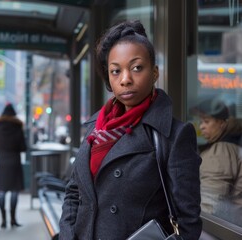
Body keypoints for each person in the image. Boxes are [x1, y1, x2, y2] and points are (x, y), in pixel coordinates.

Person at [58, 20, 202, 239]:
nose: (125, 79)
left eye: (136, 68)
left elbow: (188, 221)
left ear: (154, 73)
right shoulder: (95, 129)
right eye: (116, 71)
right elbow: (74, 192)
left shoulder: (172, 136)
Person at [191, 98, 242, 225]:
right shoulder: (232, 144)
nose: (201, 126)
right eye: (201, 121)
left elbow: (210, 204)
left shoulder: (220, 151)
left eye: (206, 121)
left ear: (222, 123)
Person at [0, 103, 27, 229]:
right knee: (14, 192)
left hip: (2, 162)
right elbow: (23, 147)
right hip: (15, 162)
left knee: (1, 192)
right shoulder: (18, 127)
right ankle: (13, 219)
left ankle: (3, 220)